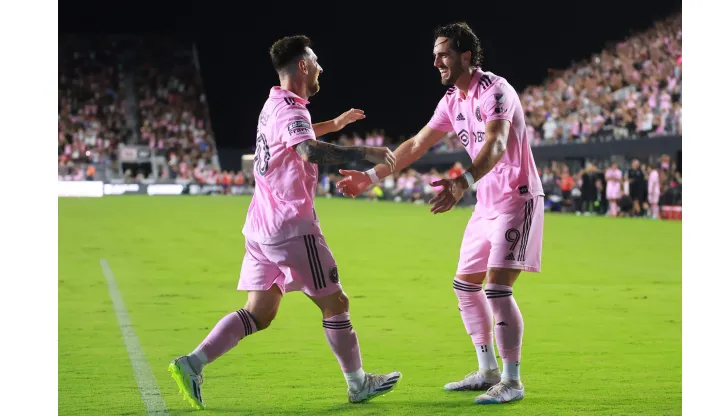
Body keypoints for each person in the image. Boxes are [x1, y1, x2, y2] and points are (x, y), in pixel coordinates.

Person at [168, 35, 402, 410]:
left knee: (260, 312)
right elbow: (306, 149)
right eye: (317, 61)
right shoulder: (292, 110)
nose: (322, 68)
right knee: (335, 302)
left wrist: (335, 123)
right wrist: (366, 153)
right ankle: (358, 384)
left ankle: (192, 363)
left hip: (260, 227)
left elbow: (298, 134)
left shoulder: (274, 102)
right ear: (304, 66)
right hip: (291, 225)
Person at [337, 22, 544, 405]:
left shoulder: (495, 91)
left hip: (517, 199)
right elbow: (416, 144)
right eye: (435, 55)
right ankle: (487, 371)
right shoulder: (452, 100)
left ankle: (513, 381)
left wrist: (462, 181)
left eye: (443, 54)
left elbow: (497, 143)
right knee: (465, 287)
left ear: (466, 56)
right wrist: (370, 176)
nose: (436, 61)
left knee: (497, 289)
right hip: (486, 204)